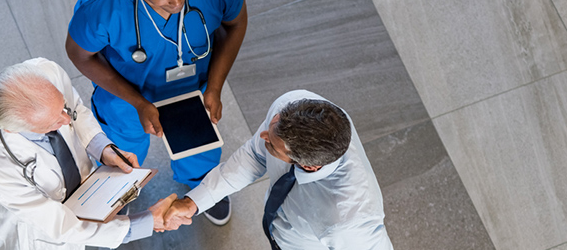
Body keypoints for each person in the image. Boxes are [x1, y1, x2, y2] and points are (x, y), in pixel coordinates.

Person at [65, 0, 247, 225]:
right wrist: (138, 102)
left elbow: (236, 24)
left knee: (199, 146)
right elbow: (79, 54)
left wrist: (216, 87)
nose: (175, 2)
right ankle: (120, 191)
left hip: (193, 88)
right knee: (121, 150)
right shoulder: (101, 6)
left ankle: (202, 187)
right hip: (127, 96)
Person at [0, 58, 188, 250]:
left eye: (61, 108)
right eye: (53, 123)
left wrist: (103, 149)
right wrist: (146, 222)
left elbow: (76, 111)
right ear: (15, 129)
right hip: (41, 231)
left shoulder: (46, 72)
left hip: (85, 193)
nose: (66, 121)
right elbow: (60, 225)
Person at [162, 90, 394, 250]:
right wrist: (194, 202)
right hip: (282, 225)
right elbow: (253, 156)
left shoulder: (349, 220)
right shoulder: (292, 103)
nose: (262, 136)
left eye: (271, 144)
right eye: (271, 127)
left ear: (307, 165)